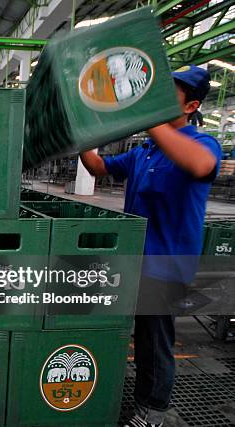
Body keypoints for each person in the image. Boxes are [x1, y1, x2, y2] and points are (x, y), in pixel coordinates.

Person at [80, 65, 221, 427]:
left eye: (168, 94)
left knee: (153, 341)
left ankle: (154, 411)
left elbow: (200, 164)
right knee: (119, 331)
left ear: (190, 107)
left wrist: (149, 118)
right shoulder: (144, 151)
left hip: (165, 266)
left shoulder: (203, 145)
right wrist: (80, 135)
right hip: (132, 261)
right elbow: (97, 167)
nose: (156, 97)